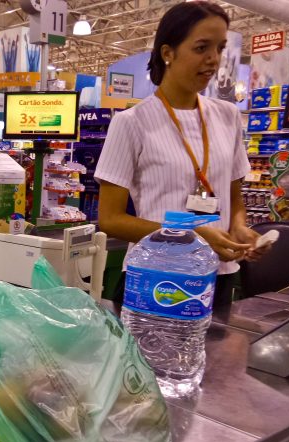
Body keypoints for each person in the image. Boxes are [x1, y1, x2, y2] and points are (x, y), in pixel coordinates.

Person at [94, 1, 271, 306]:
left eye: (219, 48)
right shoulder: (132, 122)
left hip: (218, 275)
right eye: (202, 48)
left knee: (216, 354)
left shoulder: (228, 117)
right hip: (156, 278)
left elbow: (234, 199)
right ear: (168, 53)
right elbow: (110, 219)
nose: (213, 60)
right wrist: (193, 236)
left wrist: (240, 229)